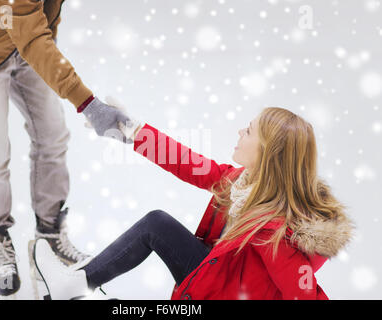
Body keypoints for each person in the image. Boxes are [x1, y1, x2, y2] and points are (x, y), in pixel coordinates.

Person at [36, 106, 354, 300]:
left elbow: (304, 292)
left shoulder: (274, 231)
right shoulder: (240, 182)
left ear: (268, 152)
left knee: (156, 224)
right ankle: (74, 284)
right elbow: (190, 164)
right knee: (157, 224)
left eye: (250, 130)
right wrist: (132, 132)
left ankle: (75, 284)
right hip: (213, 280)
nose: (240, 131)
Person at [0, 0, 132, 296]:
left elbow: (35, 22)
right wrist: (89, 104)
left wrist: (46, 39)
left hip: (24, 38)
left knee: (53, 135)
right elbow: (28, 31)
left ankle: (49, 233)